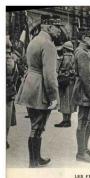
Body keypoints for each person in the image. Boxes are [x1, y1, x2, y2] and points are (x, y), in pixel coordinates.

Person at [15, 15, 63, 167]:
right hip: (40, 89)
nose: (59, 31)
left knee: (35, 125)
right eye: (57, 27)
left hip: (30, 85)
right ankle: (33, 162)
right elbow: (50, 75)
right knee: (38, 127)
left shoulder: (34, 40)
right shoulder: (48, 44)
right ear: (48, 27)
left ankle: (36, 159)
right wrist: (54, 97)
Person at [72, 27, 90, 163]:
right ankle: (81, 152)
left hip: (87, 90)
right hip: (84, 91)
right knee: (83, 121)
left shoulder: (85, 51)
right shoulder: (82, 52)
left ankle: (84, 148)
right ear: (84, 38)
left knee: (88, 121)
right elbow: (85, 76)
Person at [54, 41, 76, 127]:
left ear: (65, 49)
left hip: (63, 80)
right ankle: (69, 120)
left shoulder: (62, 57)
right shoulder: (74, 57)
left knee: (63, 100)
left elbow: (56, 68)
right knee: (70, 100)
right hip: (71, 81)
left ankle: (64, 120)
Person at [6, 36, 18, 149]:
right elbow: (16, 75)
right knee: (7, 117)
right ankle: (5, 139)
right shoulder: (12, 60)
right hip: (8, 90)